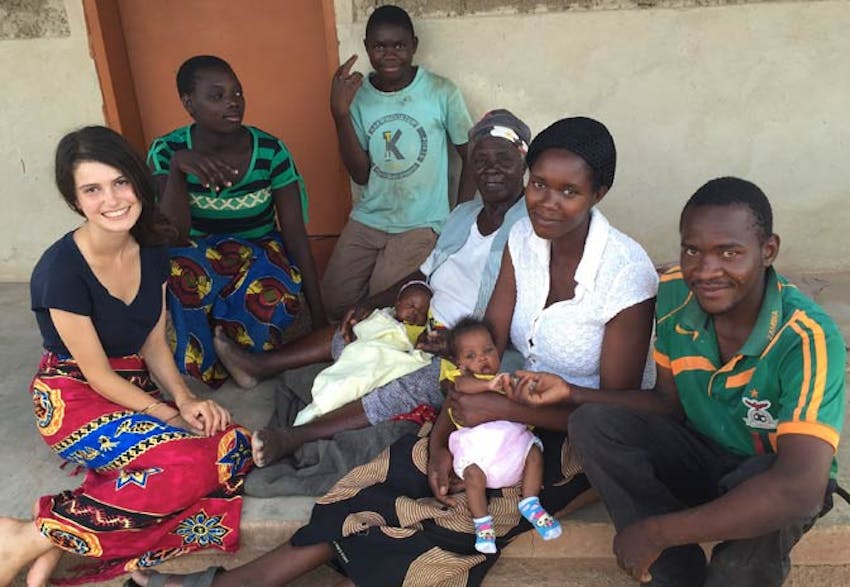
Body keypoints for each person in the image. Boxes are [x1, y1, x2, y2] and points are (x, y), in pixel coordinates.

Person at [129, 115, 659, 587]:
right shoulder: (525, 240)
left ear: (600, 193)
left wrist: (499, 410)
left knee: (450, 517)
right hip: (501, 404)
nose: (547, 201)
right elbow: (487, 346)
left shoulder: (622, 272)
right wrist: (449, 430)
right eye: (539, 184)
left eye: (569, 191)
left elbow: (612, 413)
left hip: (576, 438)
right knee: (392, 472)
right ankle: (230, 584)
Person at [510, 177, 846, 586]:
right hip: (703, 451)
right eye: (692, 250)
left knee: (736, 564)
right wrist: (573, 393)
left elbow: (799, 489)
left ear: (768, 251)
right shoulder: (674, 293)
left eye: (729, 253)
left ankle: (707, 563)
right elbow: (668, 404)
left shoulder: (806, 338)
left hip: (770, 477)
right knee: (592, 422)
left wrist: (657, 531)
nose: (706, 271)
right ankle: (672, 569)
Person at [0, 126, 253, 587]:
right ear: (75, 201)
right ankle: (39, 536)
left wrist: (184, 400)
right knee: (191, 463)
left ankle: (41, 537)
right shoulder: (60, 272)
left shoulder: (152, 247)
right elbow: (96, 375)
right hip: (74, 397)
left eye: (120, 182)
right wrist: (166, 413)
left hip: (133, 383)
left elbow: (154, 342)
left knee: (231, 443)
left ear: (137, 181)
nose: (112, 200)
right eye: (92, 189)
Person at [218, 109, 532, 473]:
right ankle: (260, 365)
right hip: (424, 319)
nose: (490, 169)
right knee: (357, 325)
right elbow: (424, 271)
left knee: (410, 388)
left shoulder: (527, 225)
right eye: (481, 161)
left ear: (522, 160)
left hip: (471, 342)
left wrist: (453, 344)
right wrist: (373, 301)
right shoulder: (465, 213)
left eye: (503, 160)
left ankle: (295, 436)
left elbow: (516, 312)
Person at [147, 54, 326, 388]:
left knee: (276, 286)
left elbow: (295, 234)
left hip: (259, 249)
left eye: (238, 93)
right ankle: (206, 362)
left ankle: (243, 356)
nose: (233, 102)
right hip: (197, 250)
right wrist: (177, 169)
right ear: (189, 103)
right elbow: (174, 234)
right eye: (217, 96)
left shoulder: (270, 150)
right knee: (180, 273)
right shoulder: (167, 150)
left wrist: (318, 315)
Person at [322, 4, 477, 320]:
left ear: (414, 46)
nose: (389, 54)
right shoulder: (358, 96)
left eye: (399, 46)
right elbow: (360, 174)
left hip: (421, 223)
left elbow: (471, 155)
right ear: (367, 48)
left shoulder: (439, 91)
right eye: (379, 46)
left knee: (385, 305)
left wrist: (458, 220)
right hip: (370, 217)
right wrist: (339, 115)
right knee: (334, 303)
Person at [442, 318, 562, 554]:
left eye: (488, 351)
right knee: (473, 477)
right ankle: (483, 525)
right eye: (471, 355)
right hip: (478, 454)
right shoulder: (462, 380)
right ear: (460, 363)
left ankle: (530, 502)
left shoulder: (507, 379)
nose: (482, 358)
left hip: (512, 449)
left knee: (535, 453)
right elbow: (463, 385)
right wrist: (488, 386)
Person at [291, 281, 435, 427]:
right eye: (411, 306)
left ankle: (315, 416)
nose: (414, 314)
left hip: (383, 363)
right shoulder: (382, 316)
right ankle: (316, 412)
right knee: (344, 384)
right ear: (397, 303)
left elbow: (416, 354)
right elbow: (364, 331)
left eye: (422, 313)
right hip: (364, 356)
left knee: (359, 386)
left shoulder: (419, 332)